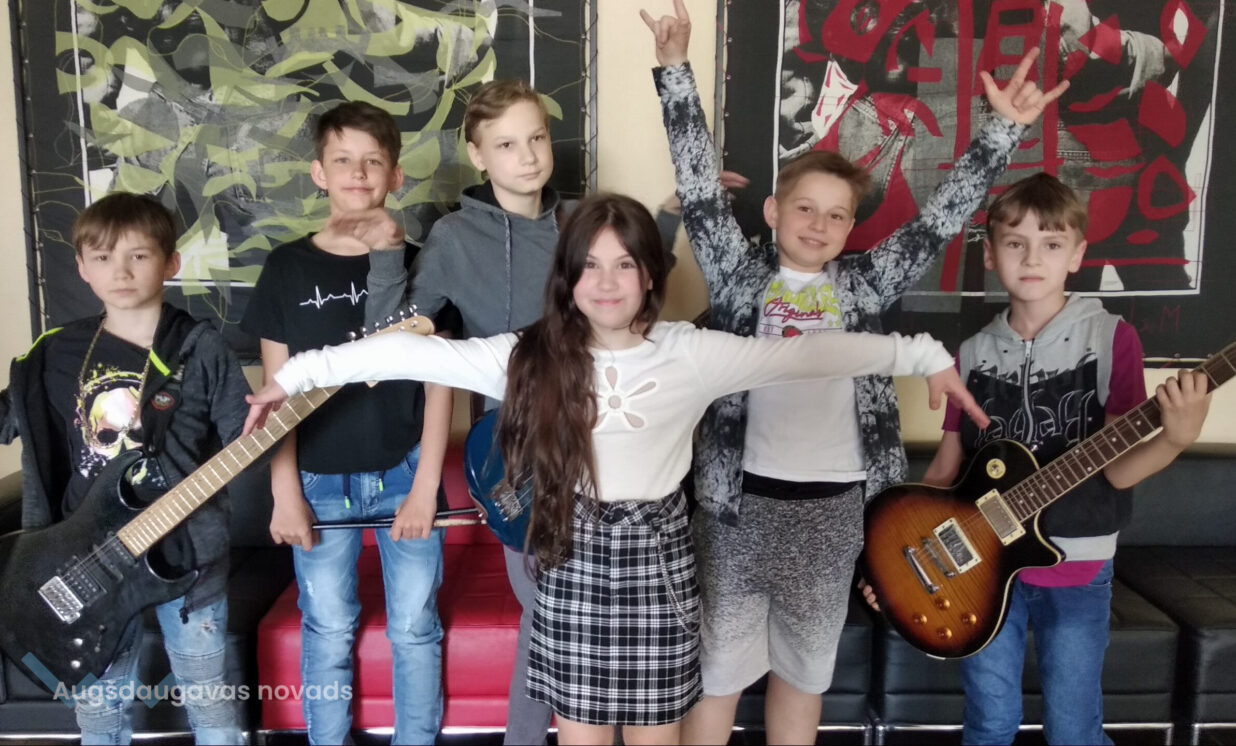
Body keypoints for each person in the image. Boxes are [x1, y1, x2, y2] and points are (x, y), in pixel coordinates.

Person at [244, 192, 989, 745]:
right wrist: (297, 375)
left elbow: (809, 355)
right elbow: (414, 353)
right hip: (571, 558)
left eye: (625, 263)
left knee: (655, 737)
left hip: (660, 564)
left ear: (650, 275)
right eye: (591, 265)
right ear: (569, 277)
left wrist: (923, 355)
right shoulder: (528, 354)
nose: (607, 281)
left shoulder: (691, 353)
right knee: (583, 736)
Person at [641, 2, 1069, 742]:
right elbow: (700, 191)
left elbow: (937, 222)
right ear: (771, 211)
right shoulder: (738, 276)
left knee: (804, 679)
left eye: (836, 215)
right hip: (736, 509)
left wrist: (1001, 132)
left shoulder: (866, 285)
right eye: (804, 208)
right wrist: (675, 68)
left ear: (850, 227)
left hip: (836, 511)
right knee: (716, 677)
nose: (818, 224)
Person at [361, 77, 699, 746]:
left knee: (588, 631)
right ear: (478, 155)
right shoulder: (455, 237)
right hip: (521, 458)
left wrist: (666, 218)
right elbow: (392, 339)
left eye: (537, 138)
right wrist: (386, 255)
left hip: (612, 447)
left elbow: (633, 289)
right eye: (508, 144)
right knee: (547, 618)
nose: (528, 156)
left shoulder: (582, 222)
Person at [916, 172, 1210, 744]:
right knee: (989, 722)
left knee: (1073, 729)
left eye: (1051, 244)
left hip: (1077, 565)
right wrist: (906, 553)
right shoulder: (969, 354)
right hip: (979, 566)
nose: (1032, 258)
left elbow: (1116, 468)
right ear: (991, 254)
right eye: (1015, 242)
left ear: (1076, 255)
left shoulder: (1112, 338)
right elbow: (947, 468)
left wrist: (1173, 439)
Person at [0, 192, 250, 744]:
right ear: (82, 267)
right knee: (99, 709)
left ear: (171, 263)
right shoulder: (54, 352)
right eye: (103, 257)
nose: (121, 271)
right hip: (80, 554)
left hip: (185, 551)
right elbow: (10, 421)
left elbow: (245, 435)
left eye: (138, 255)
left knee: (207, 698)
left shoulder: (199, 347)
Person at [239, 101, 451, 745]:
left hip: (404, 470)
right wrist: (285, 493)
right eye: (342, 160)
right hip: (317, 480)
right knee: (327, 626)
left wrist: (426, 487)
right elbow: (274, 394)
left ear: (395, 176)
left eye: (373, 161)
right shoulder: (285, 268)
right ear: (319, 174)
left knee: (414, 627)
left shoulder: (419, 264)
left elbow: (441, 382)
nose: (358, 173)